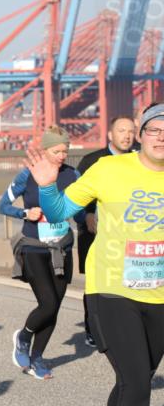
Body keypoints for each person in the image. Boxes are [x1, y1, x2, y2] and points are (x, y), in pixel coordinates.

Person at [30, 103, 164, 406]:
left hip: (159, 296)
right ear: (140, 134)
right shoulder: (109, 171)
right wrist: (48, 188)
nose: (161, 136)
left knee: (131, 381)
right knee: (139, 384)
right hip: (112, 292)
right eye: (154, 128)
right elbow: (57, 213)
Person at [0, 126, 84, 380]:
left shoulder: (72, 175)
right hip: (33, 247)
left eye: (65, 151)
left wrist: (86, 219)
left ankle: (37, 358)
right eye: (56, 151)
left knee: (54, 307)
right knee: (47, 303)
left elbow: (77, 210)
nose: (61, 156)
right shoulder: (28, 175)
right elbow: (1, 205)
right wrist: (25, 213)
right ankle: (23, 337)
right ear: (44, 150)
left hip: (62, 249)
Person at [75, 116, 138, 346]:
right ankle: (93, 327)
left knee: (129, 281)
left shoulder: (142, 159)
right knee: (97, 282)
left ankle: (128, 326)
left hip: (130, 235)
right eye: (122, 130)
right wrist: (87, 214)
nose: (127, 135)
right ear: (110, 134)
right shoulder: (93, 160)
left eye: (132, 131)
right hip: (96, 233)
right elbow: (76, 196)